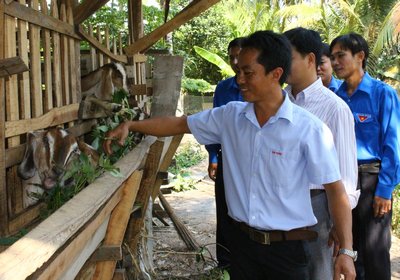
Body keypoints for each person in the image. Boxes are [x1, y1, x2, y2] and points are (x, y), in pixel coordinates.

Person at [104, 30, 356, 280]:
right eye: (238, 72)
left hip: (286, 253)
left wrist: (346, 251)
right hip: (242, 248)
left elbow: (336, 191)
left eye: (249, 73)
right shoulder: (230, 117)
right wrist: (131, 125)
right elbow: (180, 124)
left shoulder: (308, 129)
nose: (240, 80)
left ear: (275, 74)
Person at [283, 27, 359, 280]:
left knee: (316, 273)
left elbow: (346, 177)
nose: (280, 65)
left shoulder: (334, 108)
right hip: (277, 204)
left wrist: (341, 225)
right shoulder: (276, 104)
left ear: (310, 59)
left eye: (288, 57)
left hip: (317, 206)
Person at [330, 32, 400, 280]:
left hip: (371, 180)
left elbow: (393, 145)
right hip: (342, 182)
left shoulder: (382, 94)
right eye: (333, 57)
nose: (335, 62)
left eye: (341, 56)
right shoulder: (335, 98)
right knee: (348, 247)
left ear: (360, 56)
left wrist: (384, 190)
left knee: (375, 250)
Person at [205, 37, 244, 269]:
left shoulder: (264, 86)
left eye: (239, 56)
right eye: (231, 57)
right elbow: (213, 127)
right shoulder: (223, 88)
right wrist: (213, 157)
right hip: (227, 159)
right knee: (225, 211)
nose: (235, 61)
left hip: (252, 161)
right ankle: (226, 265)